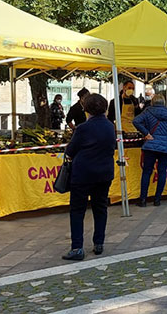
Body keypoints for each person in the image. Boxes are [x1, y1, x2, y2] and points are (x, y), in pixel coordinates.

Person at [62, 94, 116, 261]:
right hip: (104, 173)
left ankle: (77, 247)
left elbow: (70, 150)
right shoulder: (110, 126)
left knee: (77, 210)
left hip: (83, 174)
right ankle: (99, 243)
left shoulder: (83, 128)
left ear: (86, 109)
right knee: (100, 208)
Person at [133, 94, 167, 207]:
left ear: (152, 102)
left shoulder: (147, 111)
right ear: (163, 102)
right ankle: (157, 200)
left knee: (147, 172)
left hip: (150, 146)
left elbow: (136, 121)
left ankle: (143, 200)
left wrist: (146, 133)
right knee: (162, 172)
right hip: (165, 146)